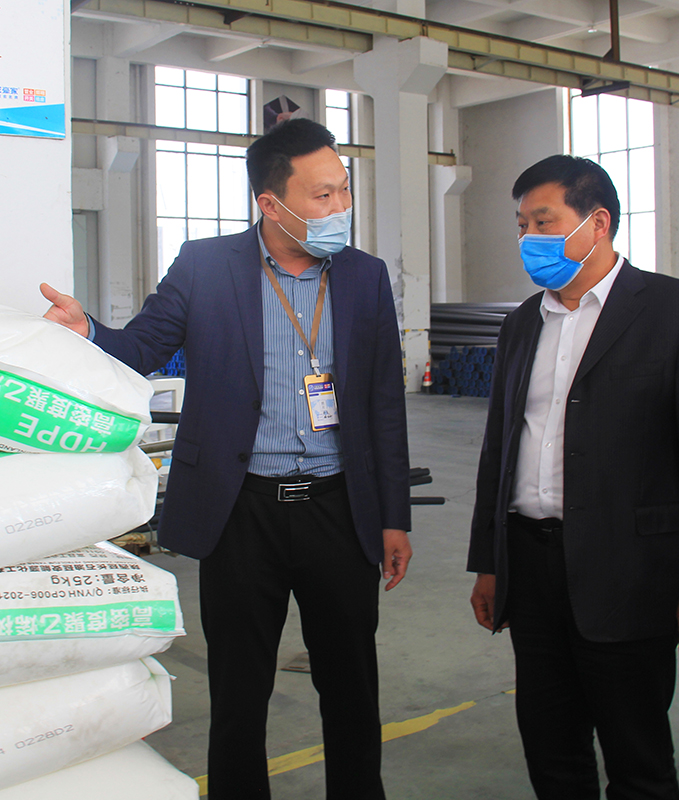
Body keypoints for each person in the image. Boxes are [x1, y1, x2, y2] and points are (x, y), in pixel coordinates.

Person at [40, 118, 412, 800]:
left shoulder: (365, 276)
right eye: (323, 195)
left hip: (339, 509)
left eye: (343, 190)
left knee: (352, 688)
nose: (341, 206)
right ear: (271, 203)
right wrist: (86, 331)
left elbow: (385, 401)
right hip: (240, 512)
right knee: (240, 694)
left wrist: (394, 516)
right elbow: (141, 348)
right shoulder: (206, 266)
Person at [467, 155, 679, 800]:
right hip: (532, 566)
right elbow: (499, 449)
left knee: (637, 755)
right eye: (522, 224)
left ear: (598, 223)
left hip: (630, 571)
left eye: (544, 221)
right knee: (551, 746)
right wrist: (489, 562)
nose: (529, 238)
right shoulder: (522, 322)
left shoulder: (676, 310)